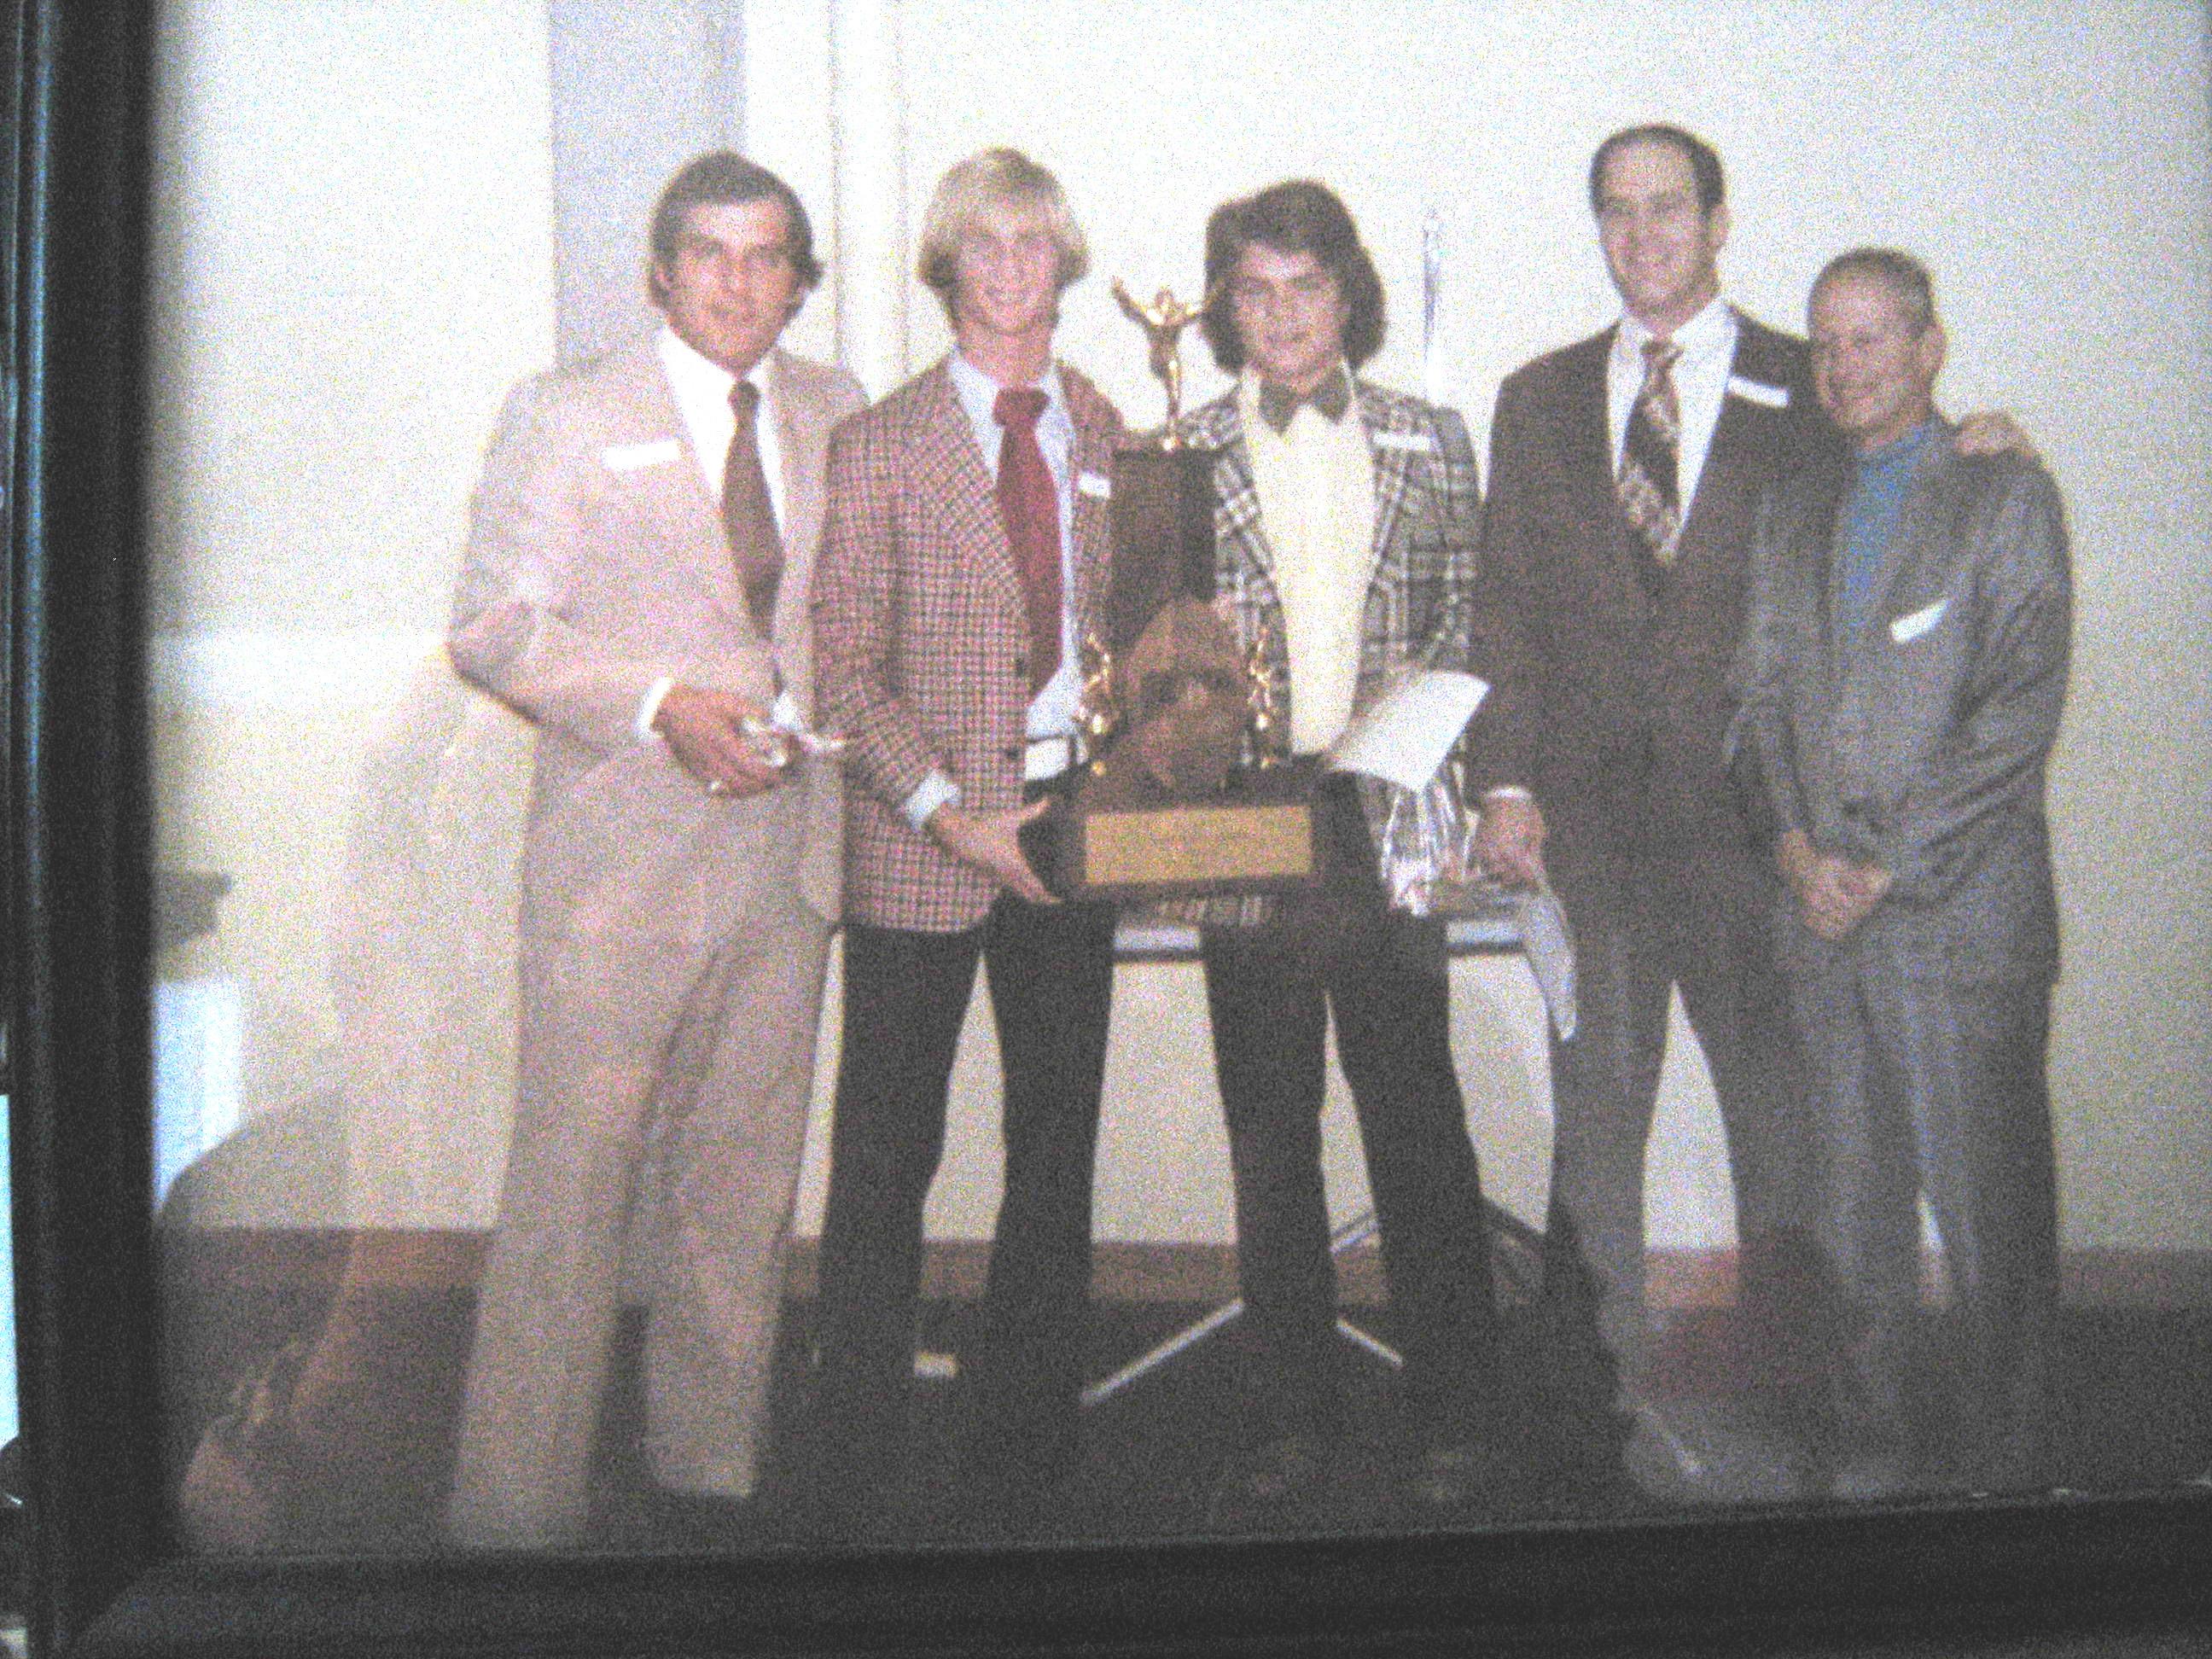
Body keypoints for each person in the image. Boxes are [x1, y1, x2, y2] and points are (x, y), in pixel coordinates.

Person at [1464, 124, 2026, 1499]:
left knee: (1790, 1137)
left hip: (1755, 840)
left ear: (1720, 222)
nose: (1643, 234)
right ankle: (1601, 1417)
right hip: (1588, 840)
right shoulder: (1536, 399)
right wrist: (1506, 779)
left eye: (1670, 208)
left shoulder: (1804, 381)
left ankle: (1801, 1404)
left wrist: (1980, 448)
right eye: (1617, 210)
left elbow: (1904, 483)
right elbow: (1507, 608)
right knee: (1597, 1136)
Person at [442, 152, 864, 1549]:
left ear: (799, 280)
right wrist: (658, 706)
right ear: (661, 272)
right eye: (711, 255)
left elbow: (839, 623)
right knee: (570, 1197)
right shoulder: (569, 416)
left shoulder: (834, 409)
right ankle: (512, 1524)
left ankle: (708, 1480)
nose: (740, 284)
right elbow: (496, 629)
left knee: (738, 1195)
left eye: (768, 258)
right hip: (616, 873)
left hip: (784, 859)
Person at [1179, 179, 1505, 1520]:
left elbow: (1474, 631)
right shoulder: (1181, 452)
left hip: (1384, 822)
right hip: (1249, 821)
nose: (1283, 315)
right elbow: (1152, 666)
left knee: (1419, 1125)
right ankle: (1293, 1419)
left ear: (1347, 295)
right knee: (1270, 1137)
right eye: (1254, 290)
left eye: (1306, 285)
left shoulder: (1435, 443)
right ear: (1227, 310)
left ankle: (1461, 1414)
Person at [807, 148, 1122, 1541]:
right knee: (888, 1152)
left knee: (1055, 1146)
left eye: (1032, 243)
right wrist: (948, 811)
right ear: (946, 269)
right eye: (980, 246)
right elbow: (843, 674)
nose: (1008, 268)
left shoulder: (1113, 431)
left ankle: (1029, 1438)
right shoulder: (877, 444)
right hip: (922, 839)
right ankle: (857, 1441)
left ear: (1065, 263)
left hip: (1070, 836)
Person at [1730, 248, 2069, 1499]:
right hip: (1819, 926)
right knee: (1848, 1221)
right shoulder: (1794, 506)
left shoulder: (2003, 496)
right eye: (1826, 343)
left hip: (1954, 930)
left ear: (1929, 350)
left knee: (1993, 1228)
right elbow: (1758, 701)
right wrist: (1794, 851)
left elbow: (2014, 716)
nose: (1845, 364)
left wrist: (1876, 865)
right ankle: (1869, 1458)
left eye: (1873, 339)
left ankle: (2013, 1475)